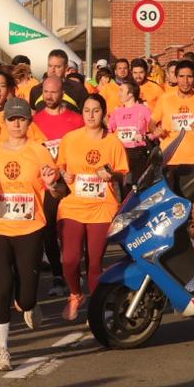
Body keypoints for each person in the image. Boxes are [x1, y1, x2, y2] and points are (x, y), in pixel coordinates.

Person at [0, 97, 54, 370]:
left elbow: (58, 190)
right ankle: (2, 351)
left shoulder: (39, 151)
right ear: (4, 122)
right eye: (12, 119)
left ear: (29, 121)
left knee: (25, 296)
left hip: (30, 227)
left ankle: (29, 302)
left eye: (22, 118)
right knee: (2, 288)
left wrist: (54, 184)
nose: (16, 123)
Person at [52, 93, 129, 322]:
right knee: (70, 259)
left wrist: (111, 174)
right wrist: (63, 174)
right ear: (81, 113)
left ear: (103, 113)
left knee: (94, 263)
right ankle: (76, 294)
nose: (91, 115)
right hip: (73, 206)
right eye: (87, 110)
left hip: (102, 207)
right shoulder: (70, 139)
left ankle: (96, 309)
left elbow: (122, 174)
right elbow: (60, 169)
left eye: (96, 110)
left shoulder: (112, 141)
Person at [151, 59, 194, 249]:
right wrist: (156, 130)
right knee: (173, 209)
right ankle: (174, 250)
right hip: (171, 160)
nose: (185, 81)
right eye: (181, 76)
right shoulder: (165, 98)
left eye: (189, 76)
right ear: (175, 77)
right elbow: (152, 122)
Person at [32, 78, 84, 296]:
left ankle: (74, 269)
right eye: (46, 92)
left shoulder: (77, 120)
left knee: (72, 230)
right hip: (48, 183)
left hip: (72, 181)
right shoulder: (35, 122)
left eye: (53, 92)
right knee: (49, 229)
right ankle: (57, 275)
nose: (49, 97)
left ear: (62, 93)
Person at [109, 77, 157, 185]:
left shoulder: (143, 109)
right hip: (121, 152)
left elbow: (155, 131)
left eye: (121, 90)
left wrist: (146, 137)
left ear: (130, 94)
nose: (119, 93)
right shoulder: (117, 111)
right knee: (123, 186)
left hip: (138, 152)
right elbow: (109, 131)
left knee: (137, 185)